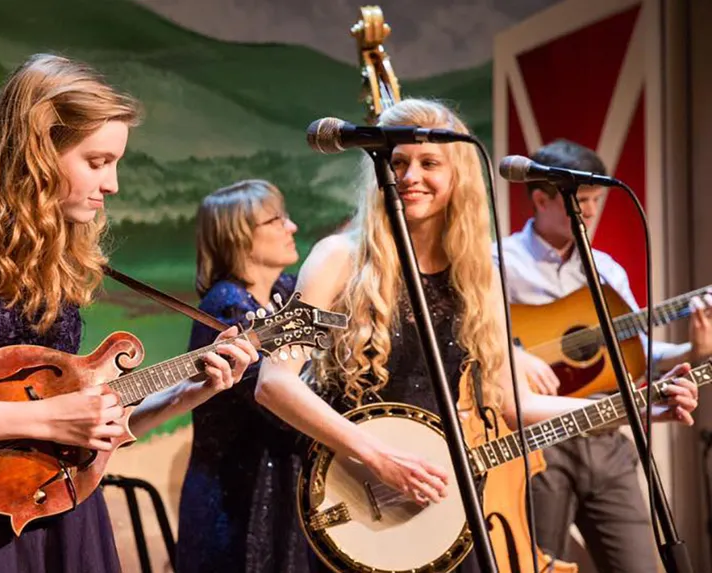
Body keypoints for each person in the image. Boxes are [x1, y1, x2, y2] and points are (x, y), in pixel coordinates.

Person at [0, 54, 258, 573]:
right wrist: (47, 418)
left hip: (64, 515)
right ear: (38, 150)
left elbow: (86, 431)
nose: (113, 185)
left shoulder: (59, 261)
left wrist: (189, 393)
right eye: (98, 161)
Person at [254, 99, 699, 573]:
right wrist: (377, 456)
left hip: (447, 506)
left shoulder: (479, 277)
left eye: (428, 163)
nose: (409, 176)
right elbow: (273, 383)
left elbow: (512, 403)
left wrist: (637, 409)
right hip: (359, 502)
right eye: (397, 162)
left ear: (459, 175)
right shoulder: (336, 258)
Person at [496, 139, 712, 572]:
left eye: (596, 201)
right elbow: (472, 341)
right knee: (537, 566)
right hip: (538, 443)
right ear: (540, 199)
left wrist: (695, 349)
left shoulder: (606, 269)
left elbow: (635, 354)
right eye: (582, 201)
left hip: (607, 433)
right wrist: (515, 354)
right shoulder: (498, 261)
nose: (590, 212)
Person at [176, 180, 318, 573]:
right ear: (239, 237)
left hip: (278, 488)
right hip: (239, 500)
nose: (292, 227)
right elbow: (277, 404)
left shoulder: (285, 292)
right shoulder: (226, 307)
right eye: (277, 220)